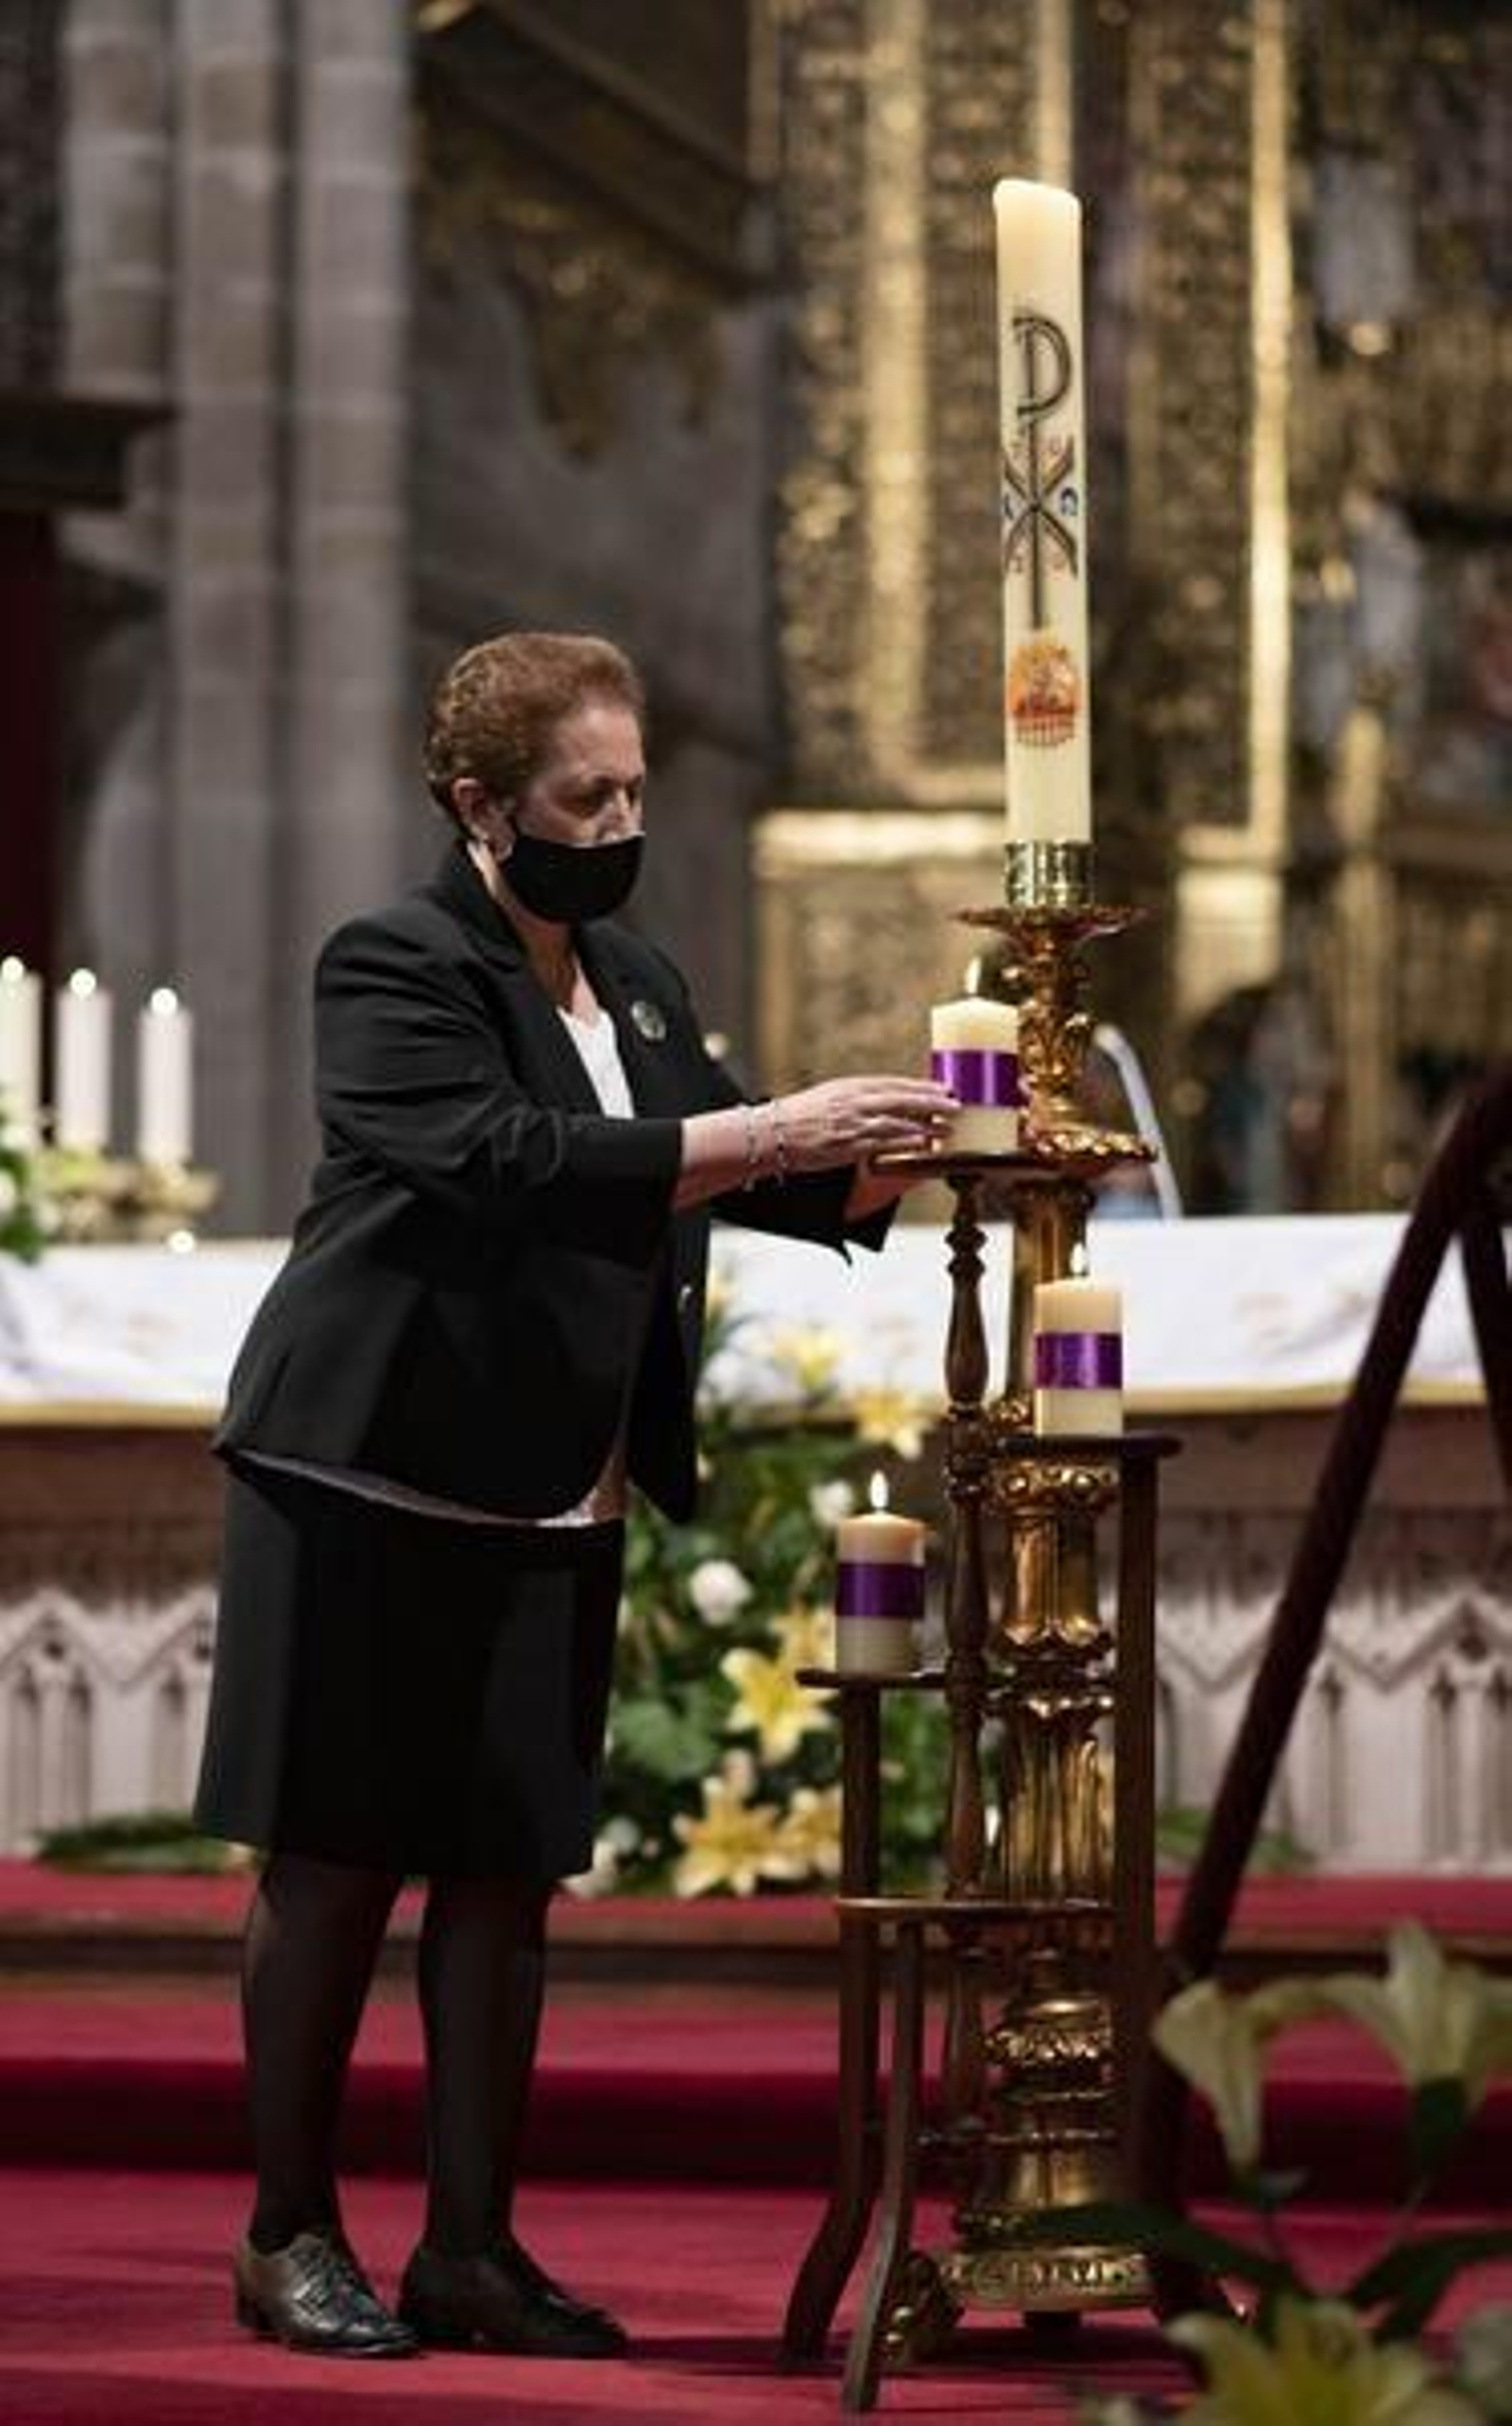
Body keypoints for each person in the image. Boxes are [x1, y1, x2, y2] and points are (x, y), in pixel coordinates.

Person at [193, 631, 955, 2362]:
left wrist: (904, 1153)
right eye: (583, 797)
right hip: (365, 1465)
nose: (620, 825)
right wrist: (773, 1131)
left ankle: (469, 2250)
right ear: (481, 807)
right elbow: (506, 1158)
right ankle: (286, 2233)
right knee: (335, 1861)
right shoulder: (394, 963)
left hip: (554, 1486)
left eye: (633, 792)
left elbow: (722, 1168)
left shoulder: (640, 982)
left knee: (503, 1875)